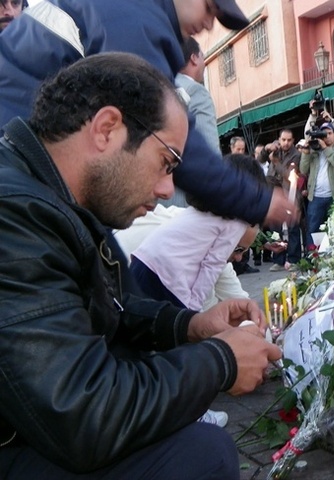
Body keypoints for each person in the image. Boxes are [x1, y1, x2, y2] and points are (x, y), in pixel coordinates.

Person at [0, 53, 281, 479]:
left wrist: (190, 326)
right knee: (203, 455)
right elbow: (82, 415)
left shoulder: (52, 199)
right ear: (107, 129)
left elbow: (108, 310)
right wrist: (220, 361)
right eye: (167, 161)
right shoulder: (15, 214)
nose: (169, 190)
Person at [0, 0, 296, 231]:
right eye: (209, 7)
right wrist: (257, 201)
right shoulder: (134, 19)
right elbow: (167, 134)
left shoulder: (137, 18)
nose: (208, 24)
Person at [130, 154, 265, 310]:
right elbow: (212, 266)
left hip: (144, 260)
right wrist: (193, 309)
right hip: (167, 279)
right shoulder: (235, 224)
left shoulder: (201, 210)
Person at [163, 36, 221, 208]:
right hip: (183, 205)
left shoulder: (159, 88)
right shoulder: (196, 92)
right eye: (203, 56)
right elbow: (209, 157)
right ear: (194, 58)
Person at [300, 106, 334, 249]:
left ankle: (332, 257)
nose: (326, 136)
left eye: (329, 133)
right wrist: (305, 152)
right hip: (315, 197)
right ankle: (312, 259)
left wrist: (332, 121)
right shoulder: (315, 150)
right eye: (323, 133)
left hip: (333, 197)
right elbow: (303, 169)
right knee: (312, 230)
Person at [261, 129, 303, 271]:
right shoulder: (275, 149)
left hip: (290, 194)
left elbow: (289, 175)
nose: (286, 143)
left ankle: (294, 259)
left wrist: (276, 162)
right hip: (274, 194)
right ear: (279, 139)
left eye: (289, 140)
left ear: (293, 141)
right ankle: (279, 260)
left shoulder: (296, 155)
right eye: (283, 140)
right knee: (276, 229)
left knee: (292, 228)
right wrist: (267, 149)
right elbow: (260, 158)